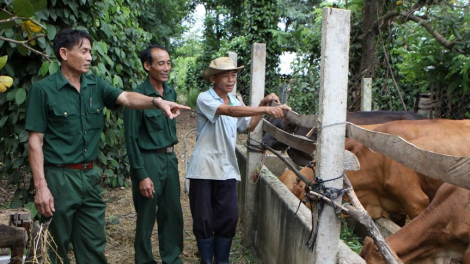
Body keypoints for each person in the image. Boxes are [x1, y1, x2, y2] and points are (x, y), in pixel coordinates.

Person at [25, 29, 190, 264]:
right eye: (84, 51)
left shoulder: (96, 85)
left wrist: (156, 102)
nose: (90, 57)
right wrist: (41, 186)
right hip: (59, 178)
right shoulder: (43, 91)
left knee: (93, 243)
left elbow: (127, 98)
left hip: (89, 177)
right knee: (54, 244)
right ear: (63, 53)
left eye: (91, 52)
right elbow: (35, 142)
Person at [185, 57, 290, 264]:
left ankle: (221, 261)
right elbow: (230, 113)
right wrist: (266, 110)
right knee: (204, 219)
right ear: (213, 78)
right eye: (225, 75)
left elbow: (248, 126)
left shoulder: (235, 100)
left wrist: (261, 104)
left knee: (228, 218)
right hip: (203, 169)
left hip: (227, 169)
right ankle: (206, 261)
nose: (231, 79)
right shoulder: (205, 98)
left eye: (233, 75)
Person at [123, 45, 185, 264]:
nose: (166, 68)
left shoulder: (170, 92)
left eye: (168, 63)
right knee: (146, 215)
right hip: (148, 160)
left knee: (172, 212)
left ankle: (172, 258)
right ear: (147, 66)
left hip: (169, 158)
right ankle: (144, 259)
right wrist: (141, 174)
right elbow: (131, 139)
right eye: (161, 63)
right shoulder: (136, 97)